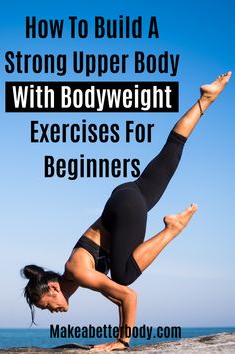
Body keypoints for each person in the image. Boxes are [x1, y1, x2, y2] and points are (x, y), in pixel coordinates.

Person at [21, 72, 231, 351]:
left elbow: (128, 296)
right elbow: (117, 297)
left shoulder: (77, 272)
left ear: (53, 289)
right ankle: (206, 100)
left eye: (47, 306)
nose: (52, 312)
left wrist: (121, 341)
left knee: (123, 276)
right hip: (125, 196)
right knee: (171, 153)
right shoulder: (76, 275)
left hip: (125, 209)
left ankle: (172, 229)